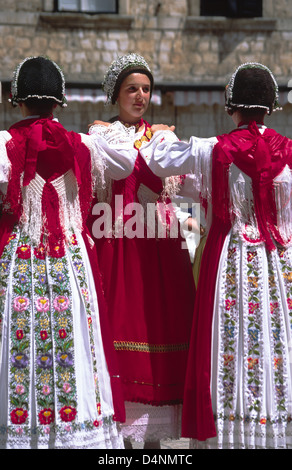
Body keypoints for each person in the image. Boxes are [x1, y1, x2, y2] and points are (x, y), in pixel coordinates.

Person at [141, 62, 292, 448]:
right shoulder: (287, 153)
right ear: (271, 107)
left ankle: (230, 426)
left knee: (229, 337)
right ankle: (271, 423)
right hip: (276, 260)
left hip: (232, 259)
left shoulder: (213, 150)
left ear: (230, 107)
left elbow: (159, 161)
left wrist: (158, 134)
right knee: (274, 336)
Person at [0, 56, 138, 449]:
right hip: (70, 259)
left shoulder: (5, 144)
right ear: (61, 100)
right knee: (77, 336)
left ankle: (24, 429)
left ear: (16, 100)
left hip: (21, 256)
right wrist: (101, 129)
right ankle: (76, 428)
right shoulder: (86, 144)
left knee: (21, 339)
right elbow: (126, 161)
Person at [88, 53, 195, 448]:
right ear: (116, 95)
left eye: (146, 89)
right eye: (132, 88)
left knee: (161, 324)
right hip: (119, 242)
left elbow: (182, 184)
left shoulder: (163, 137)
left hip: (160, 246)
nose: (140, 96)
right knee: (121, 323)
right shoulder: (101, 135)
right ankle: (125, 439)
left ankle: (153, 443)